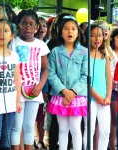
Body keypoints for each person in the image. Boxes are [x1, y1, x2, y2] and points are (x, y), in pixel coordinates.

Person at [9, 9, 50, 150]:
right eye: (24, 24)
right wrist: (16, 86)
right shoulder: (13, 43)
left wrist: (40, 86)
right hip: (17, 91)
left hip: (34, 90)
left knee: (29, 126)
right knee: (16, 126)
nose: (28, 27)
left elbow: (45, 69)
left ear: (37, 27)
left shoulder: (41, 45)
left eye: (31, 24)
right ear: (18, 25)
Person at [47, 15, 88, 150]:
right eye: (66, 29)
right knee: (62, 129)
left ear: (78, 32)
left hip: (77, 96)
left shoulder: (84, 52)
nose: (70, 32)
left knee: (76, 129)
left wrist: (73, 92)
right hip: (60, 96)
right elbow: (51, 74)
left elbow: (85, 75)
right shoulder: (55, 52)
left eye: (73, 29)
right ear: (61, 32)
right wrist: (64, 91)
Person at [0, 19, 22, 150]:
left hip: (10, 102)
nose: (1, 34)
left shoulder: (14, 56)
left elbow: (17, 78)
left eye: (6, 31)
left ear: (12, 35)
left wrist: (18, 101)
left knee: (5, 137)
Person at [83, 24, 112, 150]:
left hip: (104, 100)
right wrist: (96, 96)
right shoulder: (85, 55)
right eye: (93, 35)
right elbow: (85, 79)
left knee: (105, 130)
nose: (97, 39)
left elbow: (109, 79)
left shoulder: (105, 56)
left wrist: (108, 96)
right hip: (90, 98)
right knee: (89, 129)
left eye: (99, 35)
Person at [34, 16, 49, 149]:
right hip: (29, 85)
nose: (42, 28)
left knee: (41, 115)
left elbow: (47, 69)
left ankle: (41, 140)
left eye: (44, 26)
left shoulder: (47, 44)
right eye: (40, 25)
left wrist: (45, 89)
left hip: (43, 85)